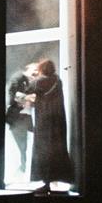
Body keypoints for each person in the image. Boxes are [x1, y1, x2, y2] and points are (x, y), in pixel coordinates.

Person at [30, 59, 73, 192]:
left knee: (43, 151)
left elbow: (27, 91)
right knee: (56, 150)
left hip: (44, 121)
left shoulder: (39, 81)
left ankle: (46, 182)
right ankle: (56, 178)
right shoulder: (58, 81)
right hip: (57, 122)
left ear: (42, 68)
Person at [6, 63, 38, 172]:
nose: (36, 73)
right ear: (28, 68)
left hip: (24, 117)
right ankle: (21, 168)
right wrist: (29, 97)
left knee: (24, 146)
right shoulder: (18, 77)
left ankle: (23, 168)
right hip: (17, 117)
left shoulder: (29, 81)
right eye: (34, 70)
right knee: (21, 146)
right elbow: (13, 96)